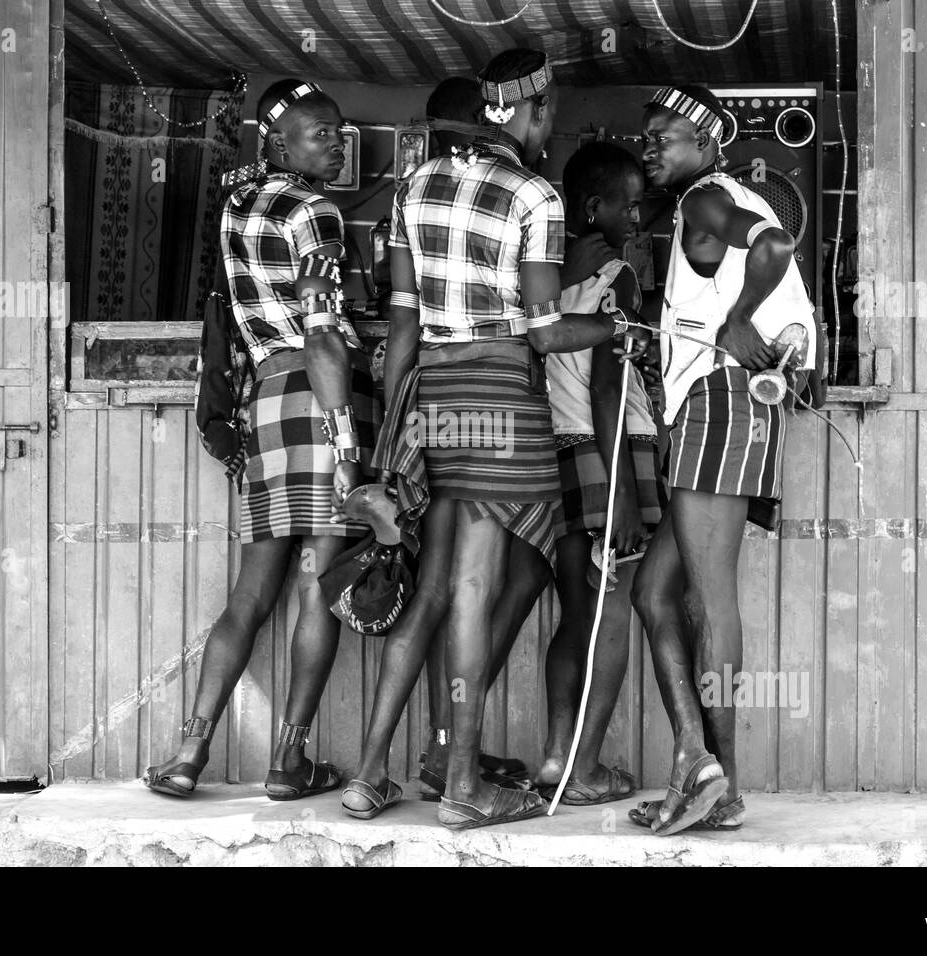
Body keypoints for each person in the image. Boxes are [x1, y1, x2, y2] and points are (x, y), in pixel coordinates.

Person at [347, 49, 647, 828]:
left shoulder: (416, 187)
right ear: (531, 111)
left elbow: (405, 325)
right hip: (503, 396)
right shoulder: (534, 195)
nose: (550, 128)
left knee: (446, 583)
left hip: (437, 398)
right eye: (547, 114)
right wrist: (614, 326)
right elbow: (546, 334)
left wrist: (394, 443)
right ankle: (461, 789)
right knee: (475, 589)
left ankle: (396, 770)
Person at [144, 79, 378, 801]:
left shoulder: (236, 206)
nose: (335, 145)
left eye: (338, 133)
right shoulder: (315, 212)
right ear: (278, 143)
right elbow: (323, 335)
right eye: (320, 135)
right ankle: (288, 762)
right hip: (319, 397)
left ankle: (189, 751)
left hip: (266, 402)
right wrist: (347, 449)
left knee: (250, 593)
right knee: (315, 588)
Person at [629, 84, 817, 834]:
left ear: (707, 143)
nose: (651, 148)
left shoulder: (706, 197)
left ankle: (723, 782)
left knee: (711, 598)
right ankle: (697, 763)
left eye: (664, 136)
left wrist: (738, 319)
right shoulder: (716, 200)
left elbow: (774, 248)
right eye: (647, 138)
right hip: (727, 402)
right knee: (654, 593)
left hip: (720, 401)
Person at [530, 142, 663, 805]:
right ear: (593, 208)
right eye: (629, 204)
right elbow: (611, 388)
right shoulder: (620, 278)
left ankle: (557, 756)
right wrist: (626, 501)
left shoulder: (546, 276)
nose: (639, 216)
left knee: (575, 616)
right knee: (612, 614)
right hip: (610, 451)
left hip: (559, 449)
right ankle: (584, 772)